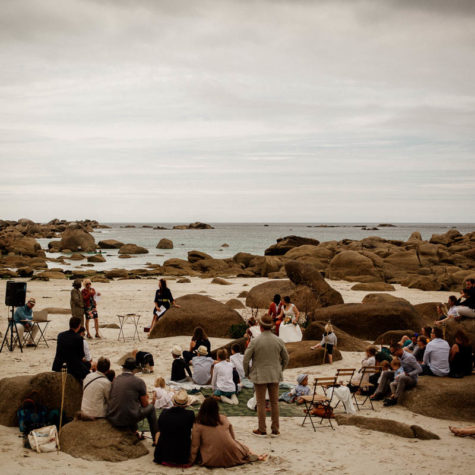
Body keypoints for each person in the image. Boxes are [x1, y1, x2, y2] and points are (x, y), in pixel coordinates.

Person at [243, 314, 289, 437]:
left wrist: (247, 373)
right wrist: (280, 369)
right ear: (272, 326)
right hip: (274, 374)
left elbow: (246, 360)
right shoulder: (278, 340)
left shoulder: (255, 341)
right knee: (274, 402)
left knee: (261, 402)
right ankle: (275, 429)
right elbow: (286, 358)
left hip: (259, 375)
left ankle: (262, 429)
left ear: (261, 326)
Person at [190, 397, 267, 467]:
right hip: (233, 455)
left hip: (210, 460)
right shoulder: (223, 418)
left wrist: (191, 460)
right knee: (242, 447)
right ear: (217, 409)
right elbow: (232, 438)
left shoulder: (198, 424)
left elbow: (195, 446)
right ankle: (254, 455)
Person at [107, 358, 158, 441]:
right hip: (127, 418)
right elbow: (145, 404)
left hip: (114, 417)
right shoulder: (139, 382)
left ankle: (134, 431)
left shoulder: (116, 380)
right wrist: (151, 402)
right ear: (135, 369)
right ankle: (156, 439)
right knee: (151, 408)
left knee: (130, 405)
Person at [153, 390, 195, 467]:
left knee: (158, 433)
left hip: (162, 455)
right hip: (182, 455)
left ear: (173, 402)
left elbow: (160, 428)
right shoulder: (190, 414)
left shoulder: (164, 413)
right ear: (186, 403)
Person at [52, 316, 90, 381]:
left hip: (58, 365)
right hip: (71, 367)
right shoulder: (79, 338)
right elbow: (81, 356)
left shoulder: (60, 335)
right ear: (79, 326)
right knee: (88, 367)